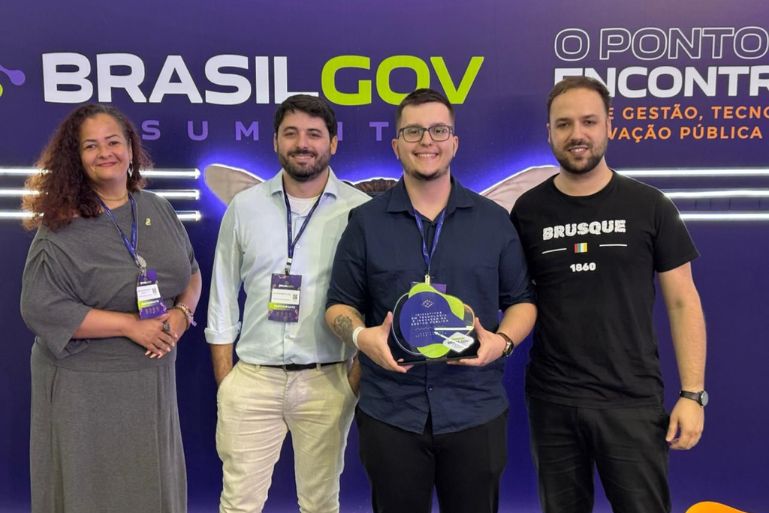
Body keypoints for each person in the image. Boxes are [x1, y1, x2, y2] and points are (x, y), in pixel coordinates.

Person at [325, 88, 537, 513]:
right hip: (391, 412)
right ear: (396, 145)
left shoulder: (494, 221)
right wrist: (363, 338)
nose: (427, 141)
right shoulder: (365, 223)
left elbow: (522, 301)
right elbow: (338, 307)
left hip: (474, 409)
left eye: (439, 130)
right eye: (414, 131)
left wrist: (502, 343)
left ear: (454, 142)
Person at [510, 76, 707, 513]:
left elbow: (683, 302)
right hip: (553, 399)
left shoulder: (649, 205)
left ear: (609, 126)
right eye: (563, 124)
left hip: (631, 400)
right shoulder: (527, 211)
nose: (576, 134)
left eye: (589, 121)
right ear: (549, 133)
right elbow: (514, 298)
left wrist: (693, 394)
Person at [20, 104, 202, 513]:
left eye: (113, 142)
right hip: (86, 389)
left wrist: (182, 314)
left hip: (151, 380)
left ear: (131, 149)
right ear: (77, 157)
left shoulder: (156, 208)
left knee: (151, 486)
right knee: (92, 492)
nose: (105, 152)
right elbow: (40, 307)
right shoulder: (60, 224)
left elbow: (191, 272)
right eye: (91, 146)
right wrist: (128, 326)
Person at [205, 94, 370, 513]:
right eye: (291, 133)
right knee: (238, 504)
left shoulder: (361, 212)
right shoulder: (245, 207)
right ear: (275, 141)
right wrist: (227, 380)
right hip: (252, 380)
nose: (303, 144)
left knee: (320, 503)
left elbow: (375, 299)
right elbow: (222, 292)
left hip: (326, 380)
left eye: (314, 134)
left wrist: (352, 380)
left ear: (333, 142)